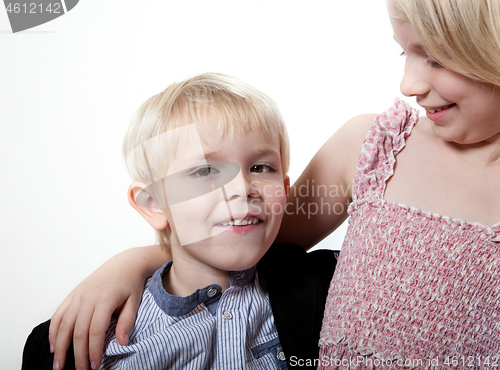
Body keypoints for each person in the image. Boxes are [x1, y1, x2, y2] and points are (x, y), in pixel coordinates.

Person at [48, 0, 500, 367]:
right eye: (406, 52)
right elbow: (245, 237)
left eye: (437, 57)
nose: (408, 83)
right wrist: (134, 261)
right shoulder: (374, 147)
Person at [22, 73, 338, 370]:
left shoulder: (323, 286)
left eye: (260, 167)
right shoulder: (94, 340)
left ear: (284, 190)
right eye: (205, 171)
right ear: (153, 204)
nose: (241, 189)